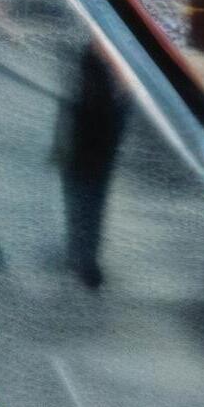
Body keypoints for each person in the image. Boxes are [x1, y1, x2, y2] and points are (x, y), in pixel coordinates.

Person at [55, 41, 127, 289]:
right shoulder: (88, 89)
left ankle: (83, 258)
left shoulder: (99, 94)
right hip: (84, 155)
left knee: (87, 201)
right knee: (84, 201)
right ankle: (81, 256)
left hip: (91, 155)